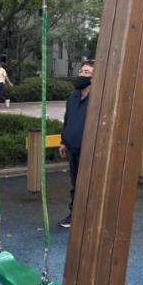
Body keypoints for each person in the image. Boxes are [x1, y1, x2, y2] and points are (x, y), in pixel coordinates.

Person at [58, 60, 95, 228]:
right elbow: (68, 120)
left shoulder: (97, 100)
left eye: (87, 72)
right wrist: (63, 142)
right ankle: (74, 214)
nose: (82, 75)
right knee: (75, 183)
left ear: (95, 77)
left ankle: (89, 216)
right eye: (81, 71)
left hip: (89, 150)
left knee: (88, 184)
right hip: (72, 148)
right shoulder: (72, 97)